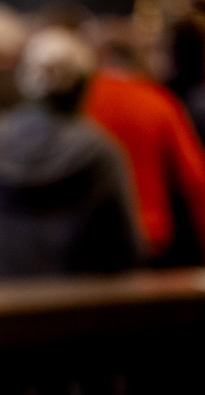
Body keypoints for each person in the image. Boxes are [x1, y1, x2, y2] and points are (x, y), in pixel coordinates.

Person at [0, 27, 142, 280]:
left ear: (25, 80)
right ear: (84, 86)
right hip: (75, 299)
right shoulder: (101, 154)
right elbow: (126, 250)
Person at [85, 29, 205, 266]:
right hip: (153, 235)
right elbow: (195, 179)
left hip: (92, 237)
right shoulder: (158, 101)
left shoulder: (82, 103)